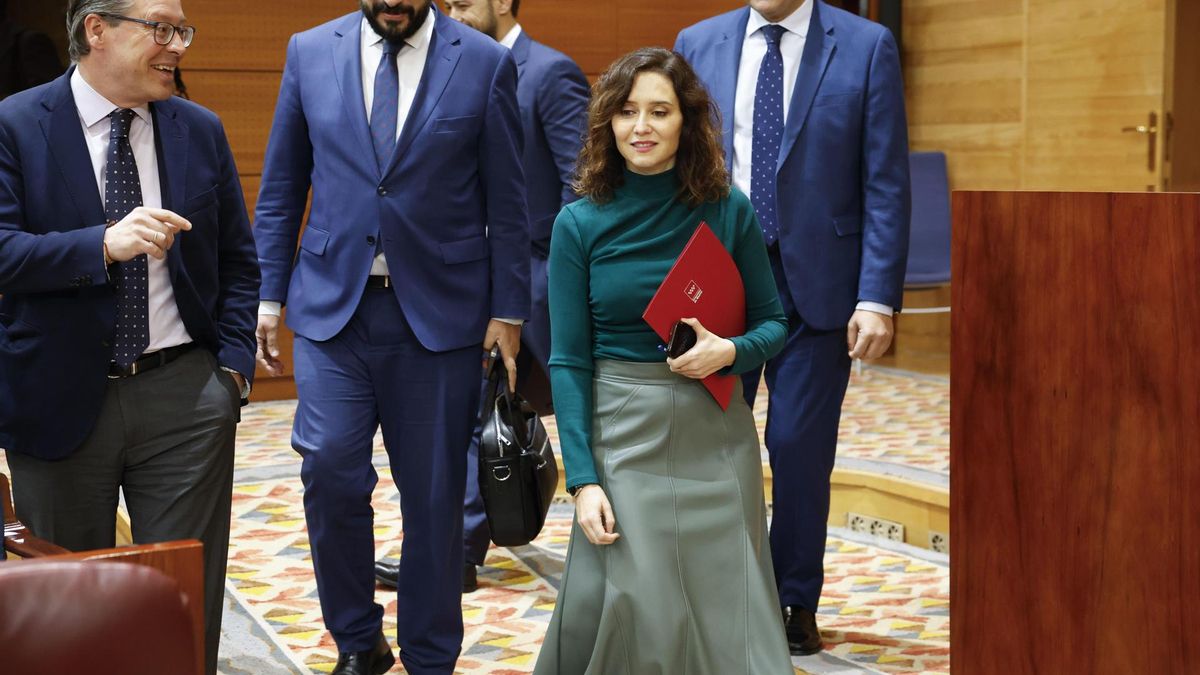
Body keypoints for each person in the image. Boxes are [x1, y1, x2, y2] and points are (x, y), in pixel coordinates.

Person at [252, 0, 530, 673]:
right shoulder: (309, 51)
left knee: (433, 494)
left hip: (439, 314)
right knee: (329, 468)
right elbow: (283, 182)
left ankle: (431, 655)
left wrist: (509, 310)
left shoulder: (485, 62)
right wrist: (267, 292)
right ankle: (357, 638)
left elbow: (509, 198)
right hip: (332, 309)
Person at [0, 1, 260, 673]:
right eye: (161, 29)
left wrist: (227, 377)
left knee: (179, 606)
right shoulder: (17, 124)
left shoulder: (198, 128)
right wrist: (102, 245)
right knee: (69, 613)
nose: (177, 45)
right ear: (96, 29)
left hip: (184, 400)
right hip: (55, 399)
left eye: (183, 30)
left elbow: (238, 257)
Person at [533, 47, 793, 674]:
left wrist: (727, 351)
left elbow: (775, 324)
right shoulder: (578, 224)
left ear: (687, 121)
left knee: (729, 605)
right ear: (607, 123)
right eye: (627, 112)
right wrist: (584, 477)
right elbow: (568, 362)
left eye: (659, 111)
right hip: (623, 430)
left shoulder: (727, 207)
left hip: (715, 429)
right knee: (641, 604)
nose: (642, 126)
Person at [675, 0, 911, 655]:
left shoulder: (866, 47)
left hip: (820, 287)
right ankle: (714, 591)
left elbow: (886, 180)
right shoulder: (698, 42)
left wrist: (878, 295)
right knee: (708, 449)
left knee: (799, 447)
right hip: (719, 280)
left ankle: (791, 594)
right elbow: (674, 166)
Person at [373, 0, 588, 594]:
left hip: (536, 275)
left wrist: (555, 277)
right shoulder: (451, 65)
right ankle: (456, 548)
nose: (453, 12)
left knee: (512, 415)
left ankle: (459, 550)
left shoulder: (551, 71)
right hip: (466, 277)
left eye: (465, 1)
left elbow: (582, 180)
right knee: (470, 417)